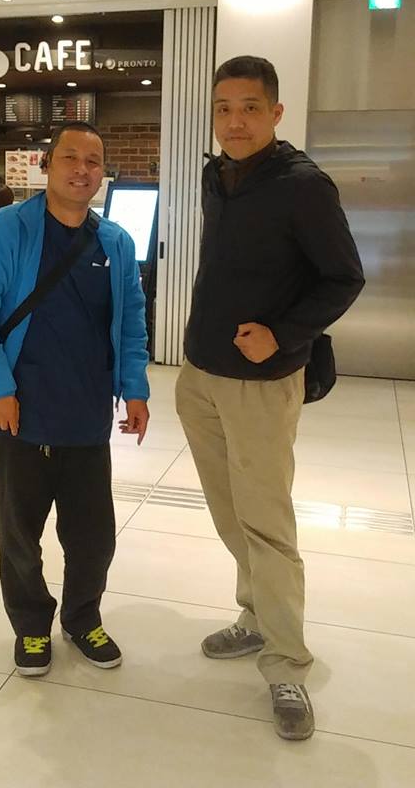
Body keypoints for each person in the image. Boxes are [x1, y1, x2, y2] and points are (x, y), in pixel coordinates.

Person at [175, 55, 365, 742]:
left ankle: (286, 662)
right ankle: (256, 616)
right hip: (201, 374)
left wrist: (283, 334)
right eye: (223, 108)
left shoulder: (303, 186)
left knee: (268, 526)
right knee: (230, 514)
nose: (235, 121)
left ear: (276, 113)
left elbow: (344, 277)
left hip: (260, 384)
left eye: (250, 108)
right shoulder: (216, 175)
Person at [0, 121, 150, 678]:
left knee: (93, 539)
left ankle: (82, 617)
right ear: (47, 164)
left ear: (103, 172)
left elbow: (132, 323)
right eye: (70, 157)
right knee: (21, 535)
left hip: (86, 417)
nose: (82, 170)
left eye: (94, 161)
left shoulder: (116, 242)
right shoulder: (8, 229)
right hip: (17, 414)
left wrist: (135, 389)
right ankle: (31, 625)